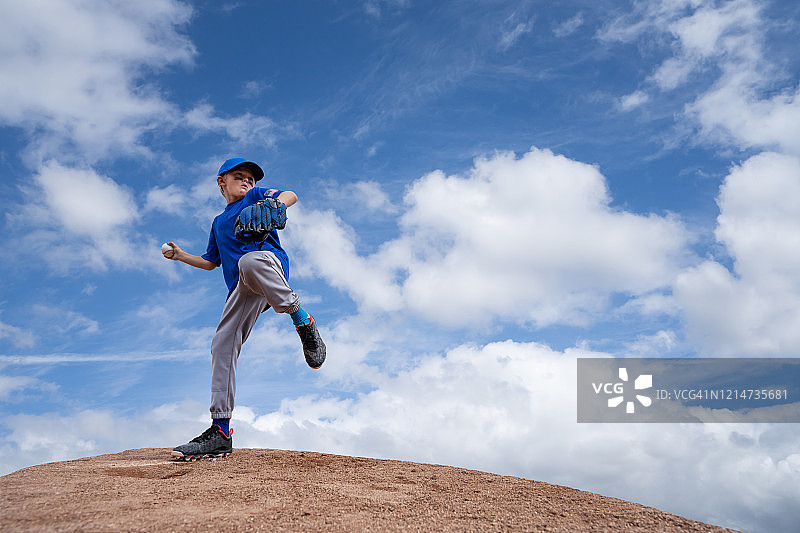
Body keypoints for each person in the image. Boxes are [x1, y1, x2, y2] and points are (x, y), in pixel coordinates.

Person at [165, 157, 325, 461]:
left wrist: (279, 205)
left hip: (268, 267)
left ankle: (302, 321)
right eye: (240, 176)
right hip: (242, 286)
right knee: (222, 344)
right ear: (221, 181)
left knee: (249, 261)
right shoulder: (218, 221)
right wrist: (181, 255)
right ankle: (221, 431)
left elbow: (288, 195)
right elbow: (211, 262)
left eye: (251, 178)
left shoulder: (255, 196)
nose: (247, 181)